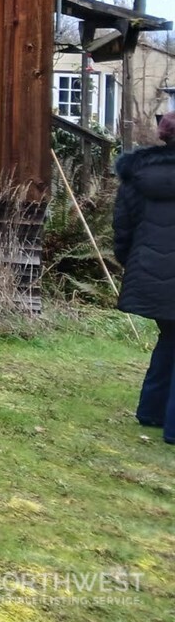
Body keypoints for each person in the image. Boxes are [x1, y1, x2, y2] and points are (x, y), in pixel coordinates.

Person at [114, 109, 175, 444]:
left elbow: (123, 227)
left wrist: (131, 262)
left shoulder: (137, 174)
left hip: (149, 270)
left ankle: (151, 411)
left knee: (169, 338)